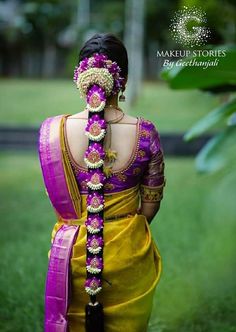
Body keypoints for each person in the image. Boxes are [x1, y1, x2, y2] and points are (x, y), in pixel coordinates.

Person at [38, 32, 166, 332]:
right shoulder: (144, 132)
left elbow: (57, 201)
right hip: (128, 254)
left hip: (71, 257)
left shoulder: (52, 131)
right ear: (123, 80)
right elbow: (151, 204)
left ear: (80, 77)